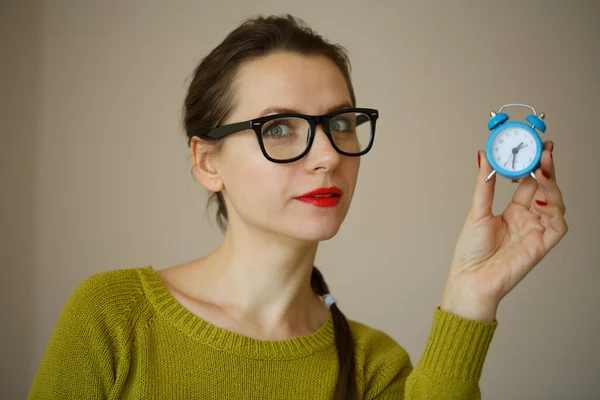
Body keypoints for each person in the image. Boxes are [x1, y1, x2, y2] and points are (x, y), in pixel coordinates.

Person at [28, 14, 568, 400]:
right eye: (279, 128)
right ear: (206, 161)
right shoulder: (113, 317)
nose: (329, 155)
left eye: (339, 123)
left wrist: (471, 295)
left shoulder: (375, 367)